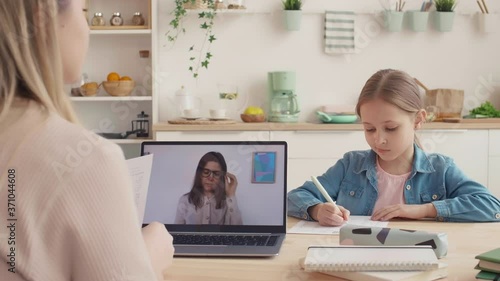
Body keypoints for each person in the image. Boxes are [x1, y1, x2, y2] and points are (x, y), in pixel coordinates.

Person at [0, 1, 173, 280]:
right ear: (42, 20)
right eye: (83, 12)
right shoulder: (89, 161)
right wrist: (150, 256)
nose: (88, 27)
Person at [288, 69, 500, 226]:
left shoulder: (440, 169)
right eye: (370, 129)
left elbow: (491, 206)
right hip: (355, 259)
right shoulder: (351, 165)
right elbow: (293, 197)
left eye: (390, 128)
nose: (379, 140)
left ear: (418, 120)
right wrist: (317, 210)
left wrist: (423, 210)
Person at [175, 151, 243, 225]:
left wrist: (231, 195)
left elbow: (238, 230)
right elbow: (177, 231)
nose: (210, 178)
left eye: (216, 174)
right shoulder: (185, 200)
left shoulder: (227, 202)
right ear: (200, 174)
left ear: (222, 177)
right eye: (206, 172)